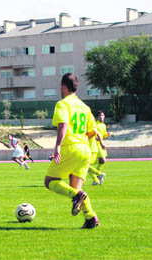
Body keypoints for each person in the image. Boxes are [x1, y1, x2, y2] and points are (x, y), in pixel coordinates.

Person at [44, 73, 99, 229]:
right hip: (85, 149)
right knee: (76, 186)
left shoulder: (62, 104)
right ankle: (90, 217)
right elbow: (92, 131)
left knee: (49, 181)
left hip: (71, 147)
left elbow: (63, 125)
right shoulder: (85, 107)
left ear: (63, 87)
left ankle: (76, 196)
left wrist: (57, 147)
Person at [94, 110, 110, 178]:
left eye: (102, 115)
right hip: (96, 144)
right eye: (99, 115)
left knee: (103, 161)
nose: (101, 117)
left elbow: (103, 135)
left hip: (101, 144)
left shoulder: (104, 125)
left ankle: (97, 174)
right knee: (102, 160)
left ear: (104, 116)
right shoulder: (95, 124)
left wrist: (107, 135)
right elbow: (92, 134)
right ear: (97, 117)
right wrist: (95, 138)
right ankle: (97, 174)